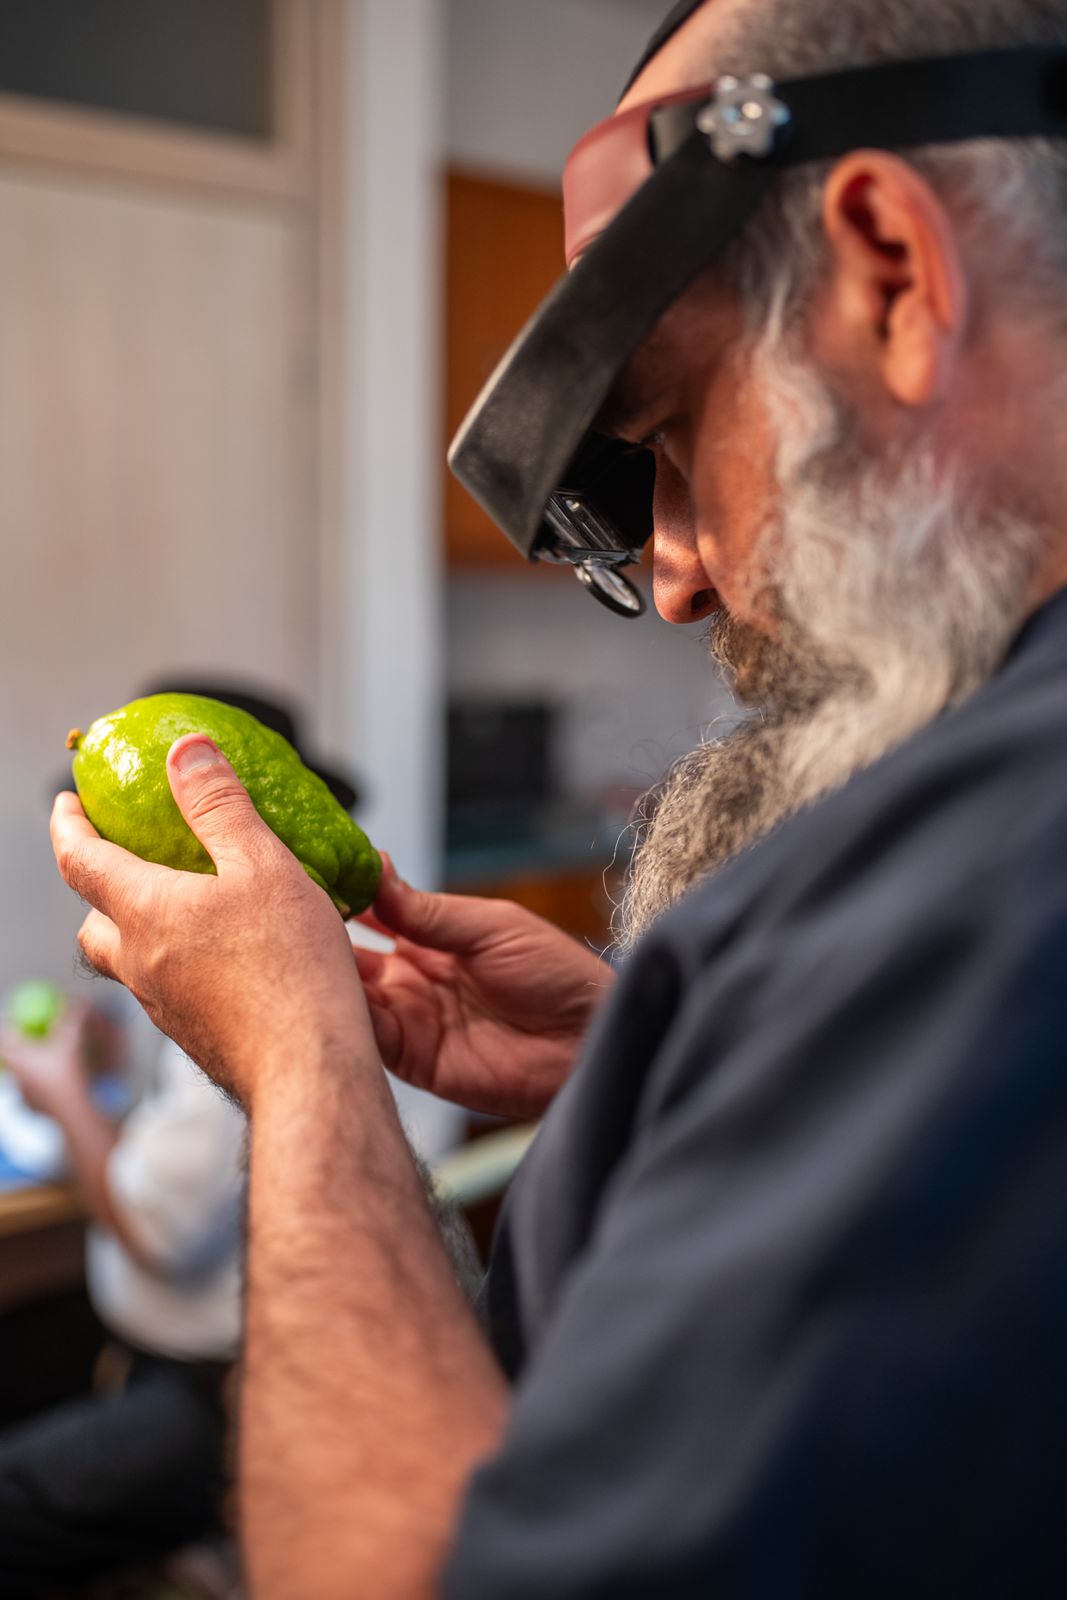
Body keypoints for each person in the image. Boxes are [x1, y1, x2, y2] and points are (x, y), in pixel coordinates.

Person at [45, 0, 1067, 1593]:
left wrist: (305, 1065)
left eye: (668, 434)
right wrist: (653, 1064)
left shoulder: (1004, 866)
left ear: (889, 271)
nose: (672, 576)